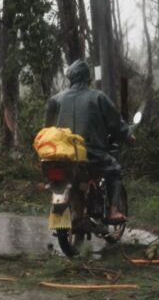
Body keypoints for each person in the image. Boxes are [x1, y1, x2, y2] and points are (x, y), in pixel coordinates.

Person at [45, 59, 133, 223]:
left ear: (71, 77)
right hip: (91, 153)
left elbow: (47, 128)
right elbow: (115, 121)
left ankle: (64, 216)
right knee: (114, 170)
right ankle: (113, 212)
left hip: (61, 156)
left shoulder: (55, 99)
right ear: (88, 78)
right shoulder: (98, 97)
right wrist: (127, 135)